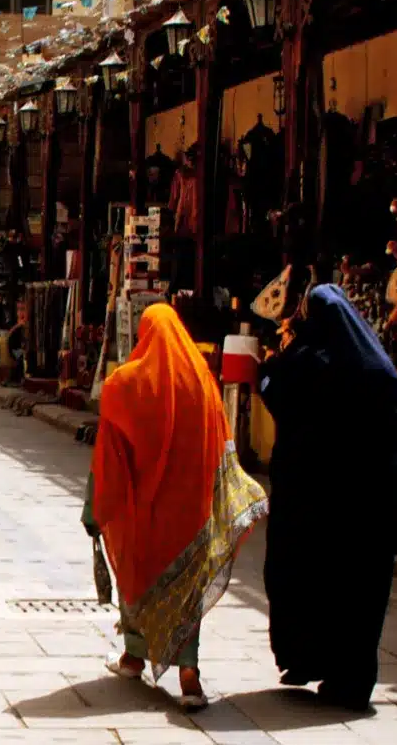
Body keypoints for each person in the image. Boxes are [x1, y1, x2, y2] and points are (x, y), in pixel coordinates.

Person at [82, 304, 268, 710]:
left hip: (141, 515)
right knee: (186, 591)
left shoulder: (123, 385)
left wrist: (94, 510)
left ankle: (134, 656)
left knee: (137, 581)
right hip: (190, 513)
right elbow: (222, 443)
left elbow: (108, 459)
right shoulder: (201, 382)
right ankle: (189, 677)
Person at [259, 285, 397, 711]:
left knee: (310, 582)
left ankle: (307, 658)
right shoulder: (379, 368)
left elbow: (272, 388)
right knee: (361, 597)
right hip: (370, 506)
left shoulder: (309, 361)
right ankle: (352, 682)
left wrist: (277, 356)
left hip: (315, 505)